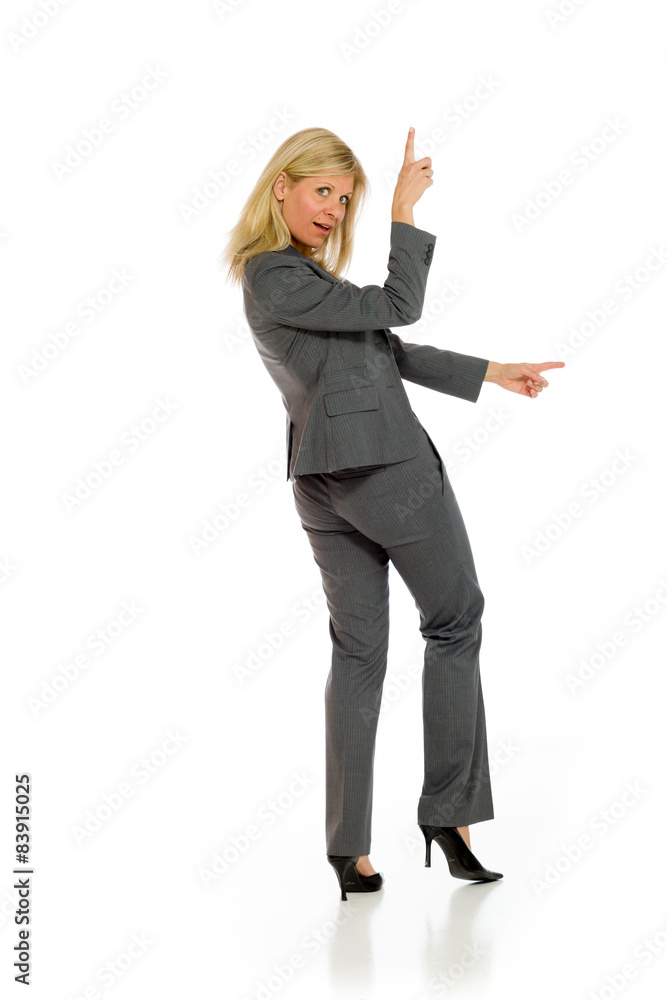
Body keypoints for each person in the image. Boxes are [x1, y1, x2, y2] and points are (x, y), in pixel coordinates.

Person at [221, 126, 564, 902]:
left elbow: (383, 348)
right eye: (323, 191)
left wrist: (490, 371)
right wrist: (403, 212)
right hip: (383, 469)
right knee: (455, 620)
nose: (334, 210)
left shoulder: (290, 278)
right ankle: (448, 814)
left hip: (321, 482)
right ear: (281, 186)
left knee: (357, 654)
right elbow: (398, 307)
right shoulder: (274, 272)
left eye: (347, 200)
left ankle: (350, 849)